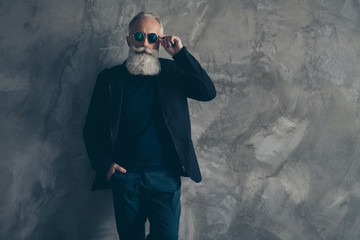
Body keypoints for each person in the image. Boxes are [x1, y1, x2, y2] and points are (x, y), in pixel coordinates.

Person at [83, 11, 216, 240]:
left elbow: (207, 92)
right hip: (126, 180)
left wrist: (181, 54)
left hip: (165, 179)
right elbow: (91, 129)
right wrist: (105, 166)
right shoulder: (110, 80)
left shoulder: (172, 72)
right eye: (139, 36)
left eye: (152, 38)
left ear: (160, 41)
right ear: (128, 40)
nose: (145, 43)